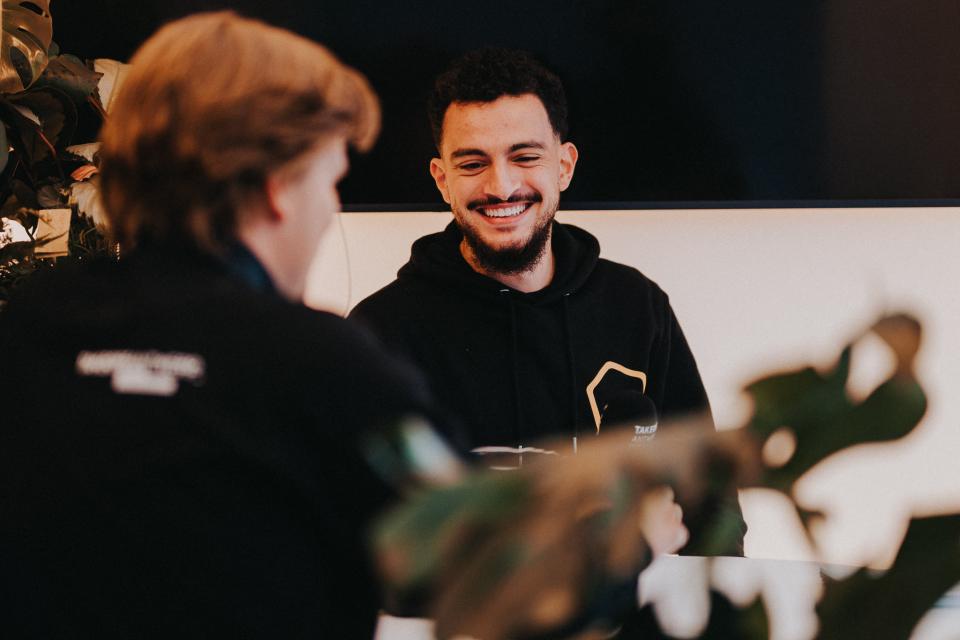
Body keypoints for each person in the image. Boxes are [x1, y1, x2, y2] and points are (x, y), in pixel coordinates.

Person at [0, 12, 438, 637]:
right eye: (330, 181)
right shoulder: (322, 363)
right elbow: (474, 562)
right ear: (275, 186)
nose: (329, 212)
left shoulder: (30, 330)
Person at [350, 47, 743, 556]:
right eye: (473, 163)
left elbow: (712, 505)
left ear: (564, 165)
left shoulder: (636, 307)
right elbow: (357, 534)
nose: (502, 185)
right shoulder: (379, 334)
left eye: (525, 156)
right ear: (442, 179)